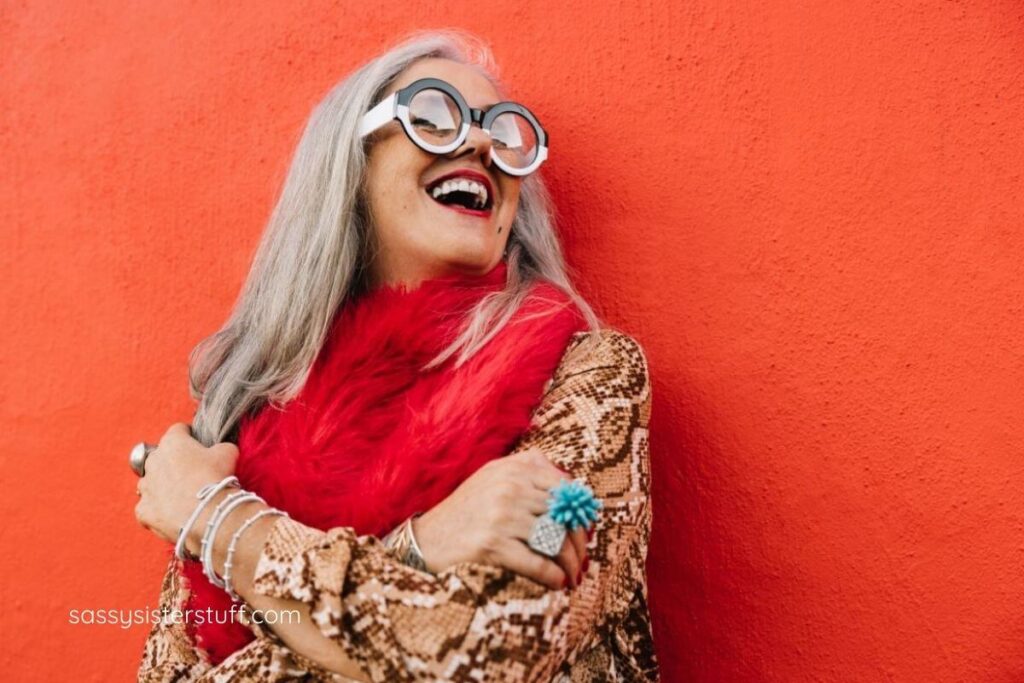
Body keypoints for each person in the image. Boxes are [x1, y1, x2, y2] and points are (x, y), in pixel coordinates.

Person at [134, 28, 659, 682]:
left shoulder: (587, 379)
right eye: (433, 116)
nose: (478, 142)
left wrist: (215, 520)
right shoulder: (236, 420)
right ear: (350, 165)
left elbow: (487, 658)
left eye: (503, 130)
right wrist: (422, 550)